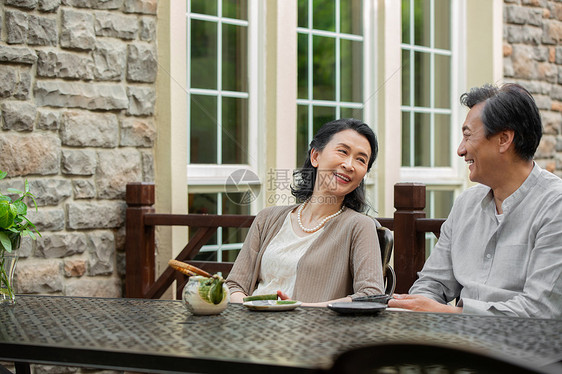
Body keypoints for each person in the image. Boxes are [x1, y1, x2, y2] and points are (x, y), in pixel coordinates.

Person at [389, 83, 562, 319]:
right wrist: (425, 309)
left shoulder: (555, 206)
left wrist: (448, 313)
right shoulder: (465, 204)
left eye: (468, 136)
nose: (460, 150)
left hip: (523, 351)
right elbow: (430, 284)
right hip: (456, 346)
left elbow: (540, 311)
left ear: (504, 139)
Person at [226, 118, 384, 307]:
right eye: (343, 151)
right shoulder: (267, 218)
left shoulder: (359, 226)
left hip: (314, 332)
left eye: (360, 159)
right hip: (253, 329)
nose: (349, 165)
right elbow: (234, 285)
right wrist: (255, 309)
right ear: (315, 156)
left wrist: (299, 308)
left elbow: (370, 295)